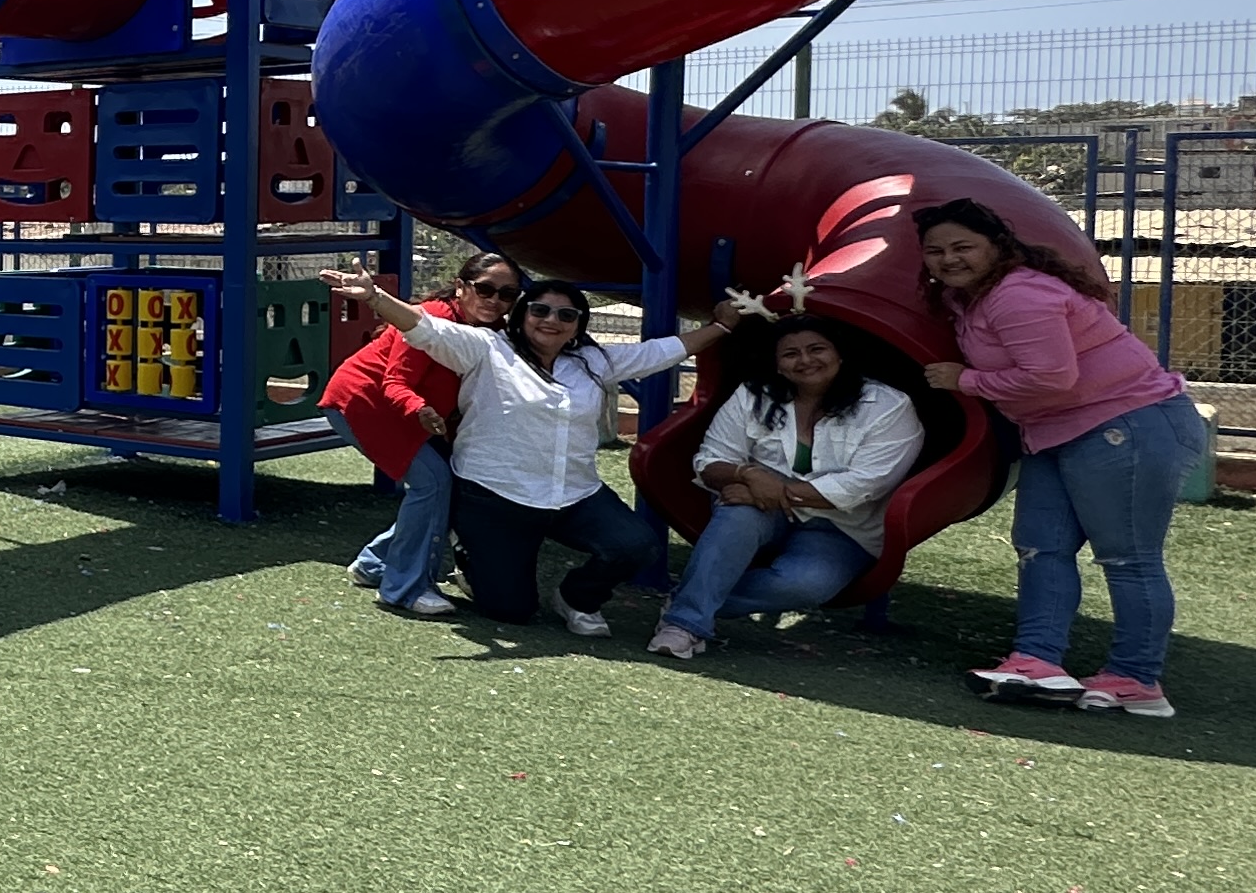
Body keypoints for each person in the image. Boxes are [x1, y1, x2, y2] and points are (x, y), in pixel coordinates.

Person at [324, 270, 741, 634]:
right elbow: (426, 329)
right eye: (540, 310)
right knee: (511, 611)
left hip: (573, 495)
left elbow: (659, 352)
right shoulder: (487, 348)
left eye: (566, 315)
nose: (551, 320)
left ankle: (576, 598)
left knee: (638, 545)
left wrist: (721, 327)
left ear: (577, 326)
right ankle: (468, 551)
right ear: (522, 315)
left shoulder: (593, 361)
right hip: (496, 497)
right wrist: (375, 297)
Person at [915, 195, 1201, 718]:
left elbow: (1051, 377)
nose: (949, 259)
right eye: (935, 251)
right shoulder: (971, 298)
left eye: (962, 246)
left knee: (1127, 558)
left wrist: (967, 380)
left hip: (1125, 423)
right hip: (1054, 431)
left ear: (996, 246)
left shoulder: (1017, 294)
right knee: (1040, 547)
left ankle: (1137, 678)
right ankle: (1037, 661)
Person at [646, 313, 925, 661]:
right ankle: (684, 625)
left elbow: (863, 485)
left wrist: (765, 490)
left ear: (840, 354)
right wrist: (748, 475)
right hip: (759, 508)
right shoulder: (753, 395)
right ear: (777, 364)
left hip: (842, 526)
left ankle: (688, 600)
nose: (805, 360)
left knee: (807, 583)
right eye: (791, 354)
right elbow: (710, 461)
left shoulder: (887, 406)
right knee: (736, 517)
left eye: (817, 349)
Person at [321, 251, 516, 619]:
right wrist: (420, 410)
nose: (494, 301)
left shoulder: (498, 332)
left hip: (416, 415)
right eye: (485, 289)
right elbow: (395, 382)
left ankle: (375, 563)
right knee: (434, 482)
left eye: (507, 294)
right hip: (365, 404)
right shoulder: (432, 317)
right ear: (461, 287)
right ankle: (405, 589)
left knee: (448, 483)